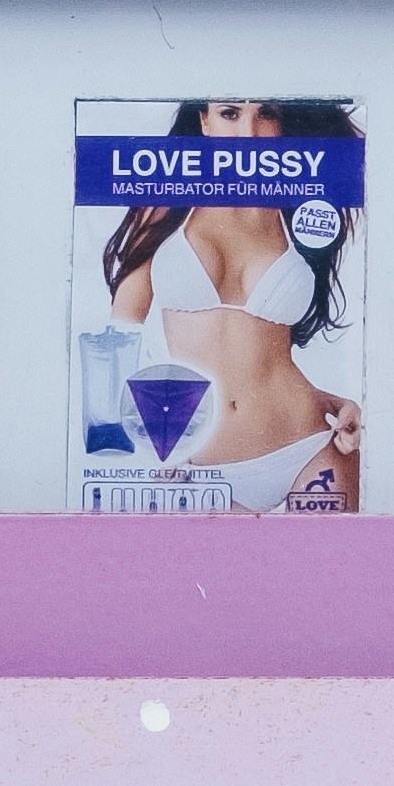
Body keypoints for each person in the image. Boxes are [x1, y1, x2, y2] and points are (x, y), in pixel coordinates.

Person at [99, 95, 360, 510]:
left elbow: (262, 359)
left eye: (267, 114)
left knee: (326, 576)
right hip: (195, 467)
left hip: (308, 448)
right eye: (230, 113)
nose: (249, 134)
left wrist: (334, 402)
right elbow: (118, 334)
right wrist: (144, 442)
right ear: (204, 121)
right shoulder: (166, 199)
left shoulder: (300, 207)